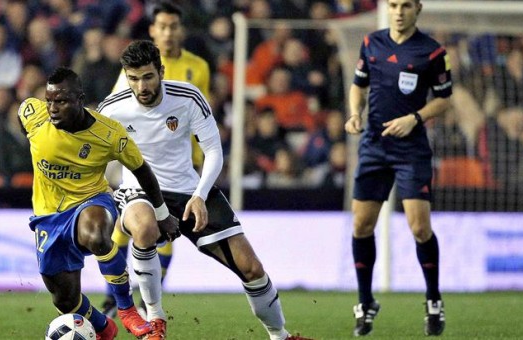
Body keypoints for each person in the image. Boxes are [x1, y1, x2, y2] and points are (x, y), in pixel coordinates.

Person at [97, 40, 311, 340]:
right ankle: (155, 320)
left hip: (189, 189)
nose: (141, 86)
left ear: (160, 71)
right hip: (139, 190)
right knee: (144, 227)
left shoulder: (188, 97)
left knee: (251, 268)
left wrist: (199, 195)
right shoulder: (113, 107)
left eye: (147, 77)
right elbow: (93, 154)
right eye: (133, 78)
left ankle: (280, 335)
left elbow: (213, 150)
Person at [17, 67, 180, 340]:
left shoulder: (109, 134)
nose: (53, 108)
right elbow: (23, 112)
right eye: (50, 101)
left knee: (95, 233)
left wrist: (162, 214)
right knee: (65, 301)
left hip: (91, 200)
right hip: (48, 216)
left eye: (62, 101)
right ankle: (105, 328)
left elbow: (143, 171)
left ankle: (127, 309)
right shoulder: (34, 118)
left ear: (80, 99)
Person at [344, 0, 452, 336]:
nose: (399, 11)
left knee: (419, 227)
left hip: (411, 150)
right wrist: (354, 113)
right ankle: (365, 302)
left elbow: (445, 97)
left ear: (418, 8)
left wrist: (415, 118)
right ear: (387, 9)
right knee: (362, 225)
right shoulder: (371, 43)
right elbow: (358, 85)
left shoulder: (432, 52)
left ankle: (433, 298)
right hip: (374, 146)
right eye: (393, 4)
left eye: (406, 5)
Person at [104, 0, 212, 316]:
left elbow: (203, 115)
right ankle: (115, 298)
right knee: (129, 225)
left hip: (181, 163)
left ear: (181, 30)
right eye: (162, 27)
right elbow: (113, 109)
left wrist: (201, 156)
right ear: (153, 30)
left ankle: (147, 298)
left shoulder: (199, 68)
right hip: (137, 160)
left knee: (167, 230)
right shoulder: (139, 66)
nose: (168, 33)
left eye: (173, 26)